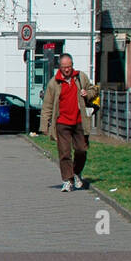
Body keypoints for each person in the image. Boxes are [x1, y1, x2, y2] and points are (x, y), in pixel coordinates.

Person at [39, 52, 99, 192]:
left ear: (72, 65)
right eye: (64, 67)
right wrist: (44, 125)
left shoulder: (80, 77)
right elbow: (47, 104)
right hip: (62, 122)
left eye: (69, 66)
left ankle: (77, 173)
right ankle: (67, 180)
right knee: (64, 153)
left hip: (79, 121)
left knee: (81, 150)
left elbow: (93, 90)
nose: (67, 69)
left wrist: (87, 93)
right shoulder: (54, 82)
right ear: (59, 67)